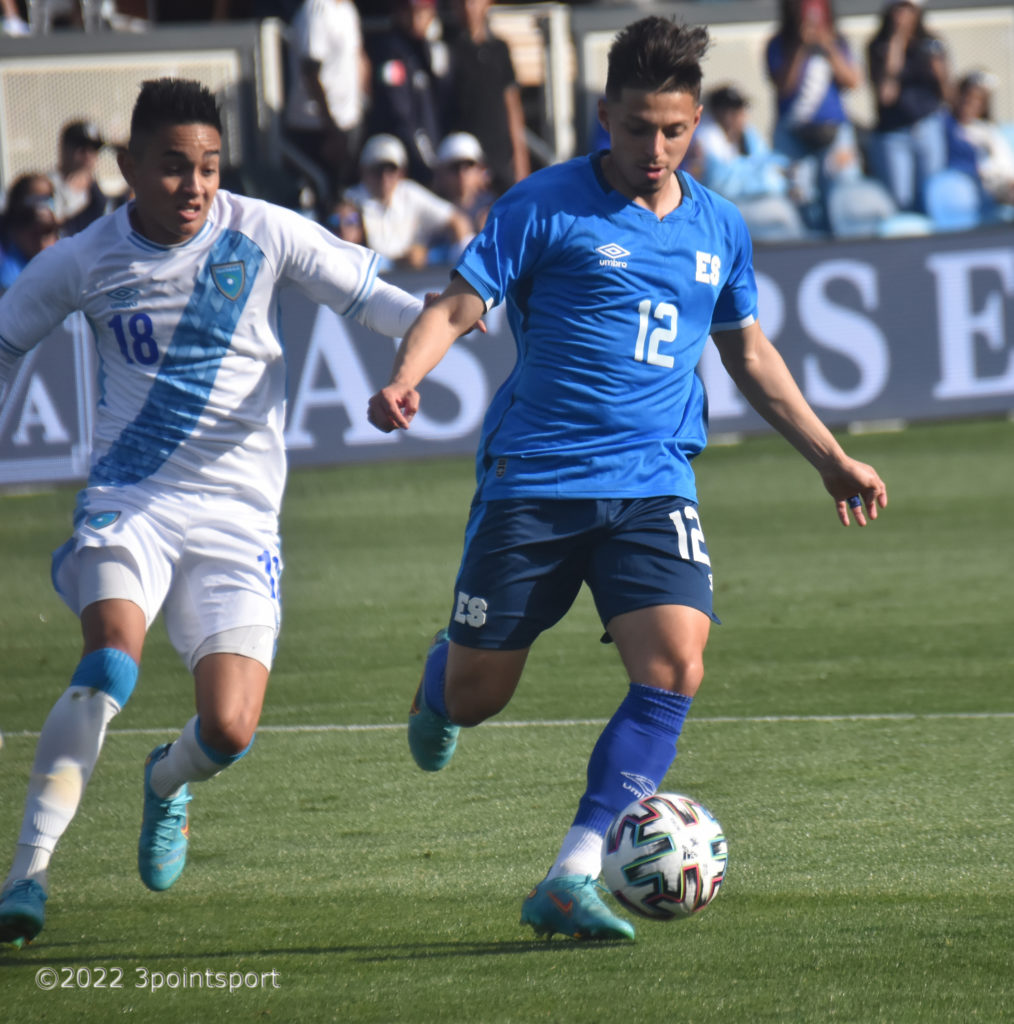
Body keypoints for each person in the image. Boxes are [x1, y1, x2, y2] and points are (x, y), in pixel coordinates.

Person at [367, 15, 888, 943]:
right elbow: (457, 303)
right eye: (639, 127)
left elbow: (749, 354)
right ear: (605, 115)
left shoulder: (718, 226)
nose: (656, 148)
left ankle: (571, 872)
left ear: (694, 125)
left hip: (654, 483)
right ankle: (440, 680)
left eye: (675, 130)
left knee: (677, 662)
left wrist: (830, 455)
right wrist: (408, 378)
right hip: (535, 479)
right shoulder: (542, 205)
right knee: (482, 695)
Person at [0, 77, 425, 949]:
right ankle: (27, 875)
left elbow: (382, 301)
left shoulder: (260, 231)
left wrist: (440, 342)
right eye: (171, 168)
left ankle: (165, 782)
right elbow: (5, 341)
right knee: (110, 662)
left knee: (229, 728)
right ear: (127, 167)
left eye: (207, 167)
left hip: (238, 521)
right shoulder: (84, 260)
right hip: (133, 504)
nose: (193, 186)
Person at [766, 0, 863, 230]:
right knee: (800, 195)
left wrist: (828, 46)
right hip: (793, 134)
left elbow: (852, 81)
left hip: (835, 133)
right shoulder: (778, 44)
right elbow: (784, 86)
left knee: (842, 190)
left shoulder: (838, 41)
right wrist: (800, 48)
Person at [867, 0, 950, 212]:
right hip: (894, 131)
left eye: (908, 9)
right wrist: (897, 44)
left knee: (931, 192)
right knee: (901, 198)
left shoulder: (931, 44)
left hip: (927, 125)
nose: (902, 14)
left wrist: (940, 72)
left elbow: (947, 95)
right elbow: (886, 96)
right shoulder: (878, 46)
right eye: (898, 7)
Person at [344, 133, 472, 270]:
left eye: (391, 169)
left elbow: (457, 220)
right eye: (377, 170)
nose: (384, 177)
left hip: (413, 279)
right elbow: (347, 245)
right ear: (363, 171)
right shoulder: (351, 200)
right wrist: (399, 262)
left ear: (401, 172)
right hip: (369, 276)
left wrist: (460, 265)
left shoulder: (410, 193)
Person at [283, 0, 368, 205]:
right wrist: (331, 129)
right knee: (323, 202)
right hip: (316, 129)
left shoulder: (348, 9)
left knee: (348, 200)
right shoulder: (316, 8)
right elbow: (310, 72)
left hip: (348, 124)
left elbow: (359, 57)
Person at [695, 84, 807, 240]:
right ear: (719, 112)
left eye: (741, 109)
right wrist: (772, 177)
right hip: (726, 209)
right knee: (782, 216)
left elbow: (768, 159)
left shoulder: (747, 134)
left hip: (760, 201)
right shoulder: (704, 139)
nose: (741, 115)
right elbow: (720, 185)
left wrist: (787, 170)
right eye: (734, 110)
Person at [447, 0, 530, 195]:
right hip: (466, 158)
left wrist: (520, 158)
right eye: (462, 3)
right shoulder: (449, 49)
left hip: (500, 153)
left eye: (473, 2)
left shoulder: (499, 49)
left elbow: (512, 104)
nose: (468, 8)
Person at [365, 0, 451, 187]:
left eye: (422, 12)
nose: (415, 19)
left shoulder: (431, 51)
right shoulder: (391, 53)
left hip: (430, 153)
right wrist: (428, 163)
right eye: (408, 11)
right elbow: (400, 115)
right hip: (405, 165)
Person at [945, 71, 1014, 210]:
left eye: (977, 101)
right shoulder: (949, 127)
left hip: (1000, 182)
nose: (969, 104)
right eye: (967, 98)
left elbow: (1004, 162)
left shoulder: (987, 130)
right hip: (971, 183)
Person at [48, 120, 112, 236]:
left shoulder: (103, 187)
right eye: (81, 146)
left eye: (94, 148)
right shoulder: (47, 185)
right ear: (64, 147)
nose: (88, 154)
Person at [0, 173, 61, 291]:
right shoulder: (7, 269)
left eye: (48, 232)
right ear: (16, 231)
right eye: (36, 234)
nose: (43, 243)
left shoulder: (62, 263)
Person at [432, 131, 496, 234]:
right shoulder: (430, 211)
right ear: (440, 174)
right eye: (454, 167)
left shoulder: (496, 208)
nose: (461, 174)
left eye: (468, 165)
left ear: (481, 170)